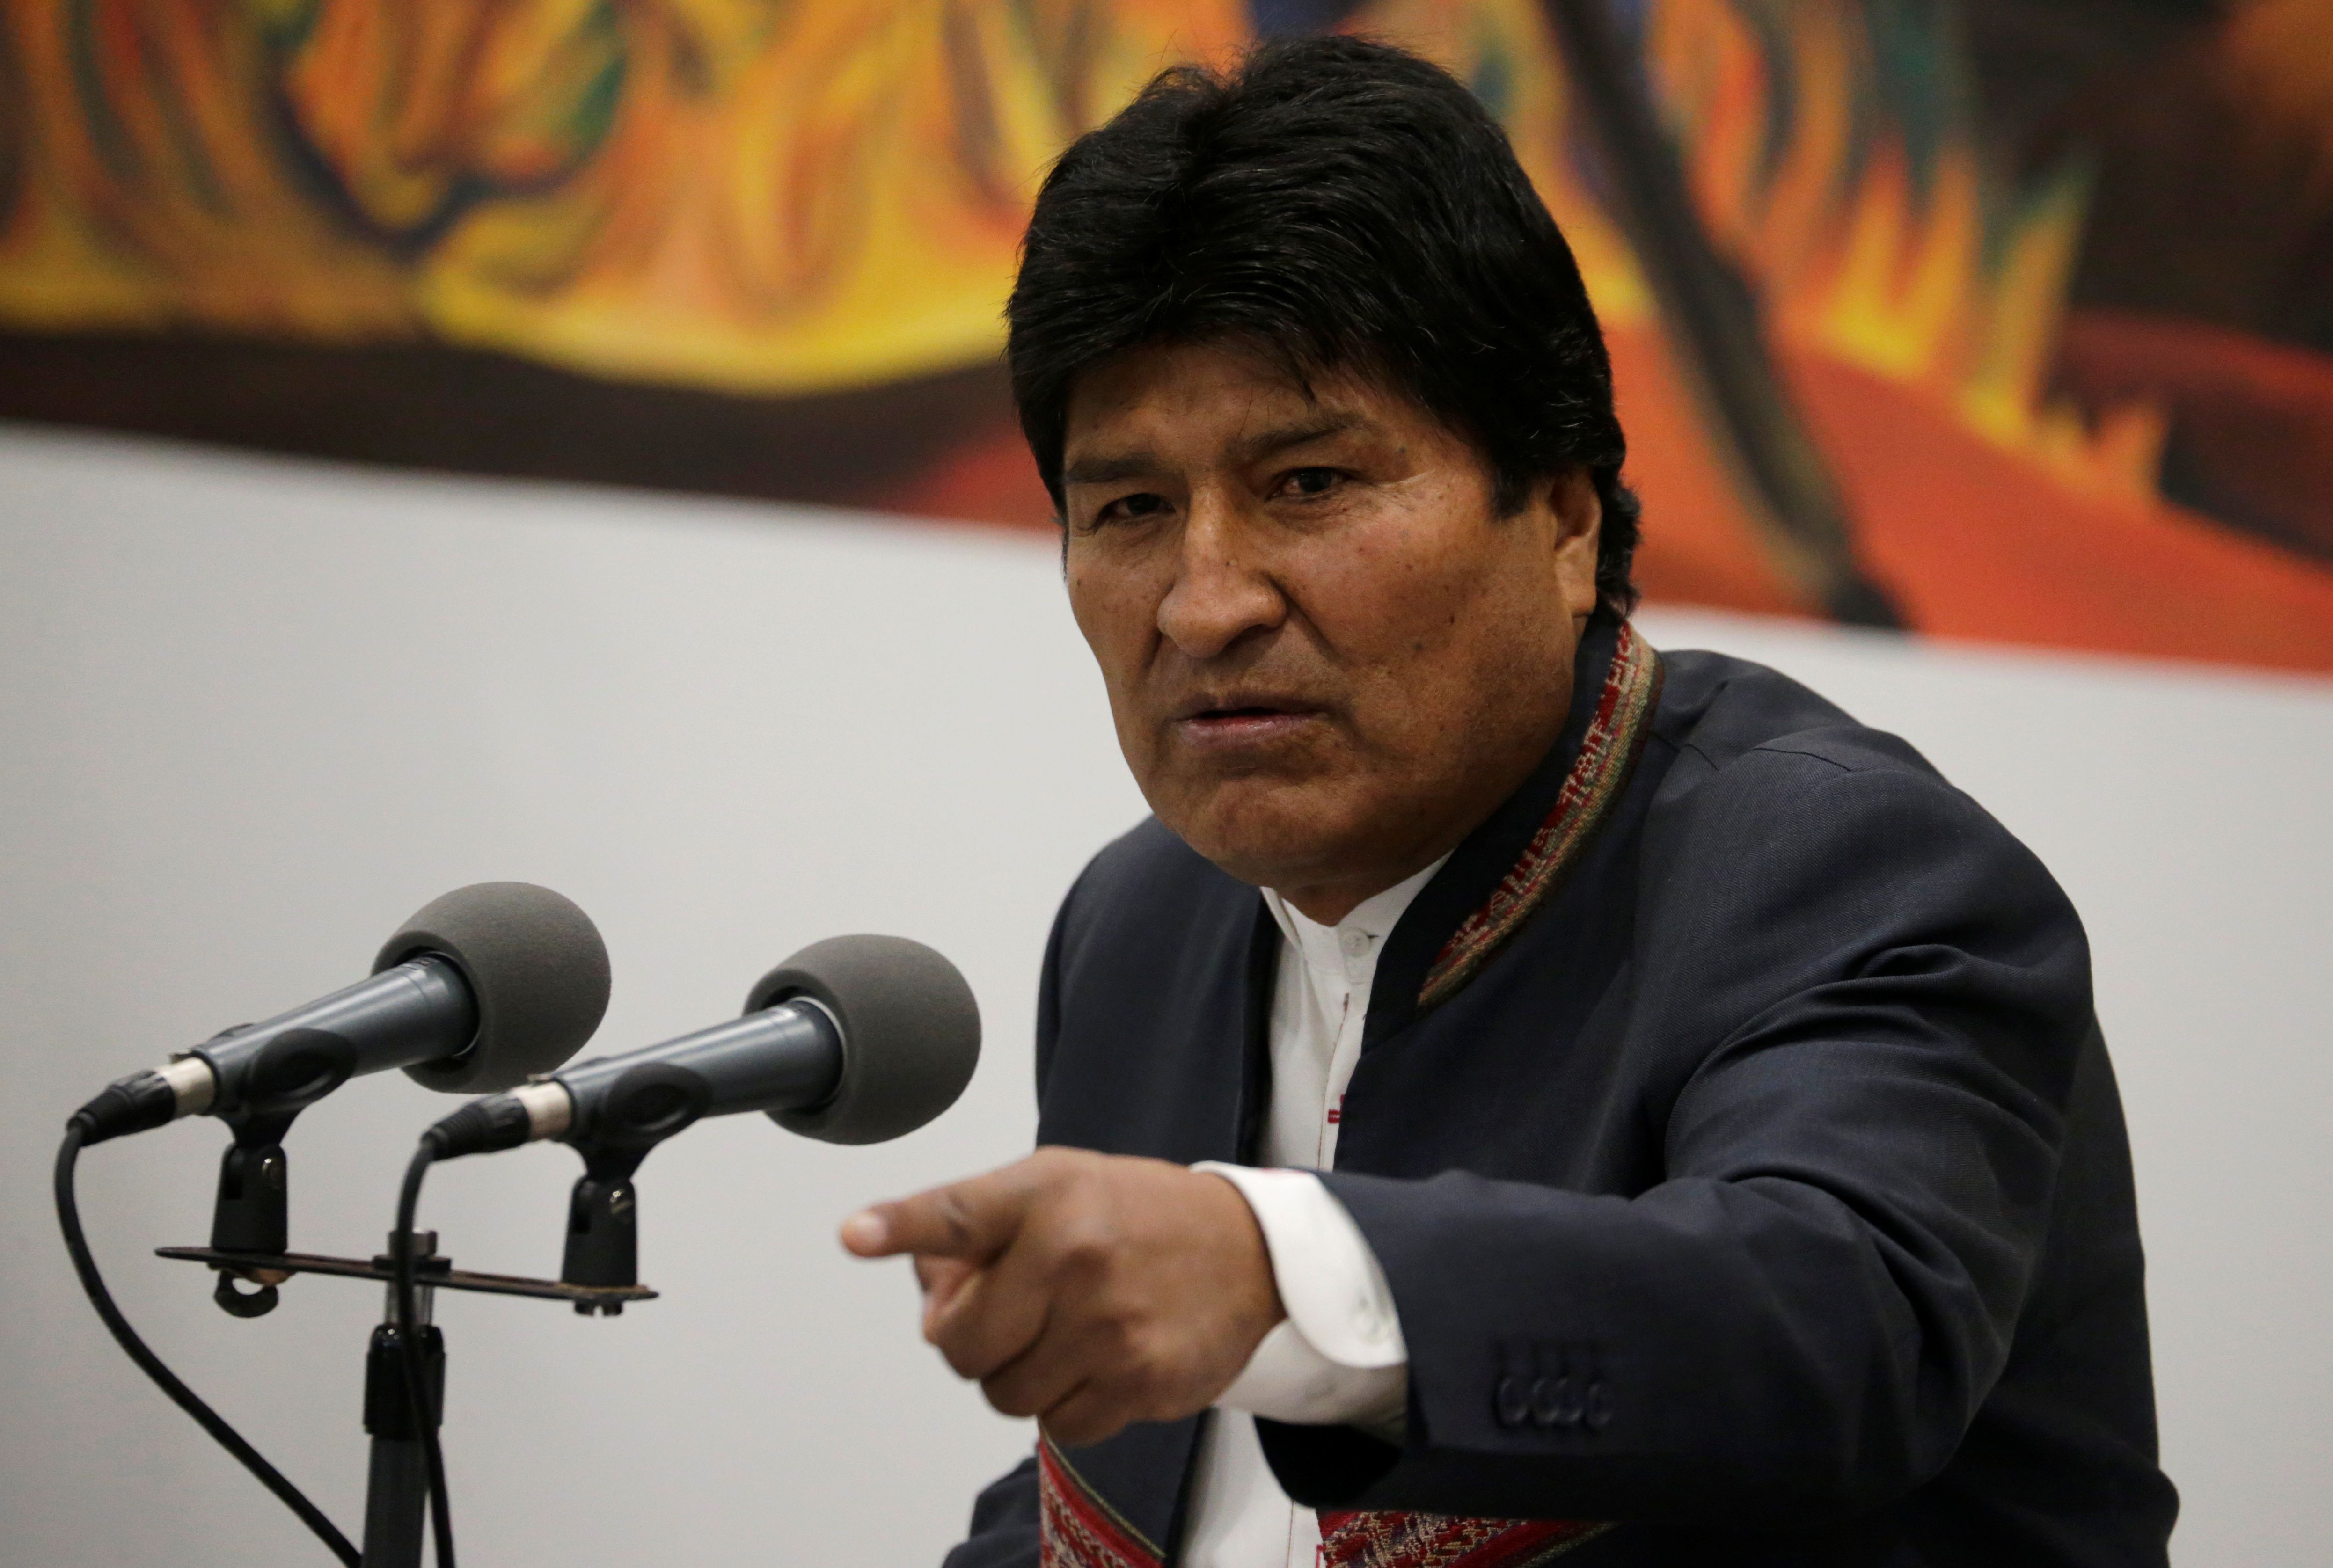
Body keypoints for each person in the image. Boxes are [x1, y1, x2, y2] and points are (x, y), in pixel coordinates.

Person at [839, 35, 2177, 1568]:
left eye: (1311, 485)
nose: (1202, 603)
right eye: (1131, 509)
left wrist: (1282, 1275)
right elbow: (1140, 1499)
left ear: (1558, 512)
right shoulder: (1140, 921)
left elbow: (1833, 1324)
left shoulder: (1843, 868)